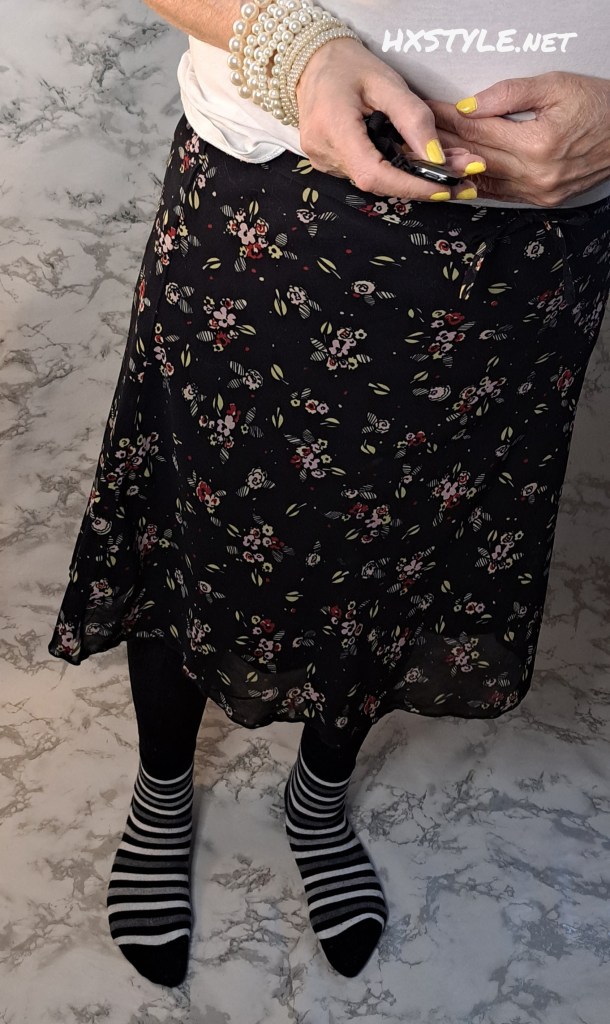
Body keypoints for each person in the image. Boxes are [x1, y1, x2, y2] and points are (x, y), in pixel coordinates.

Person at [47, 0, 610, 988]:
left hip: (535, 245)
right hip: (272, 196)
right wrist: (300, 51)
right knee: (193, 524)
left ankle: (318, 797)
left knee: (407, 545)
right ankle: (162, 791)